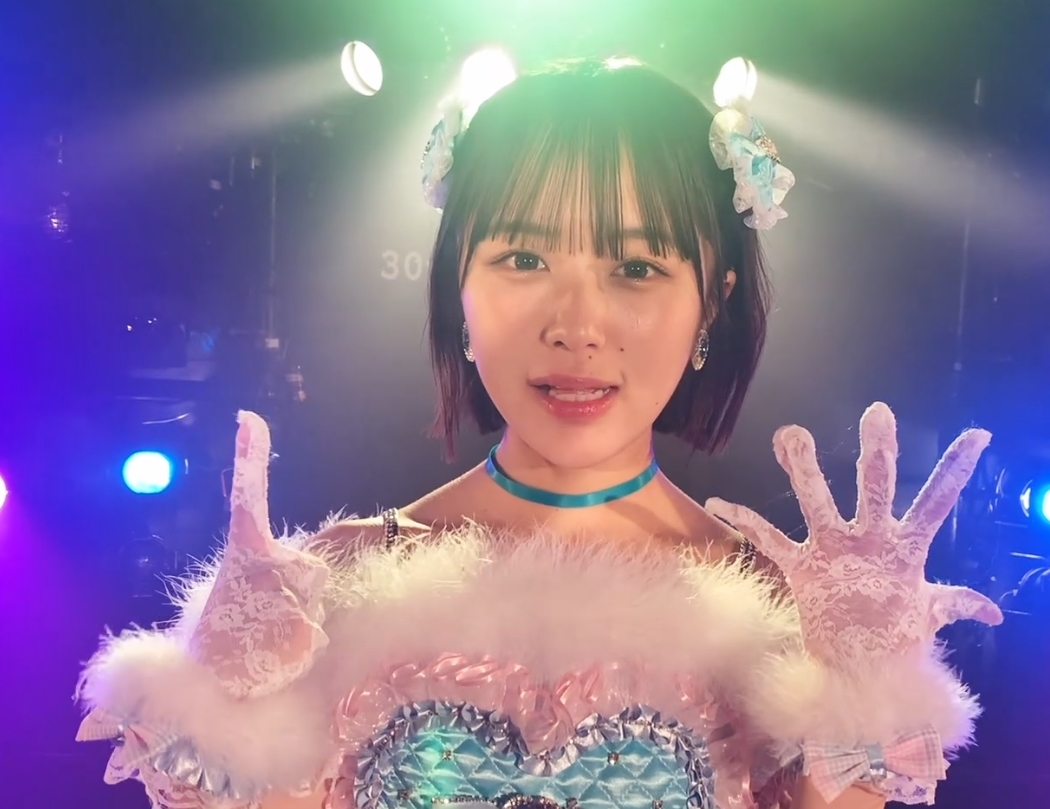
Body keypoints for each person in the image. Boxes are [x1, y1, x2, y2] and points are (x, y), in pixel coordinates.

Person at [76, 58, 1002, 809]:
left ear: (712, 302)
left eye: (636, 267)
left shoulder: (779, 614)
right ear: (459, 287)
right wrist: (235, 711)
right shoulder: (328, 590)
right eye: (523, 257)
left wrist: (864, 692)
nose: (577, 324)